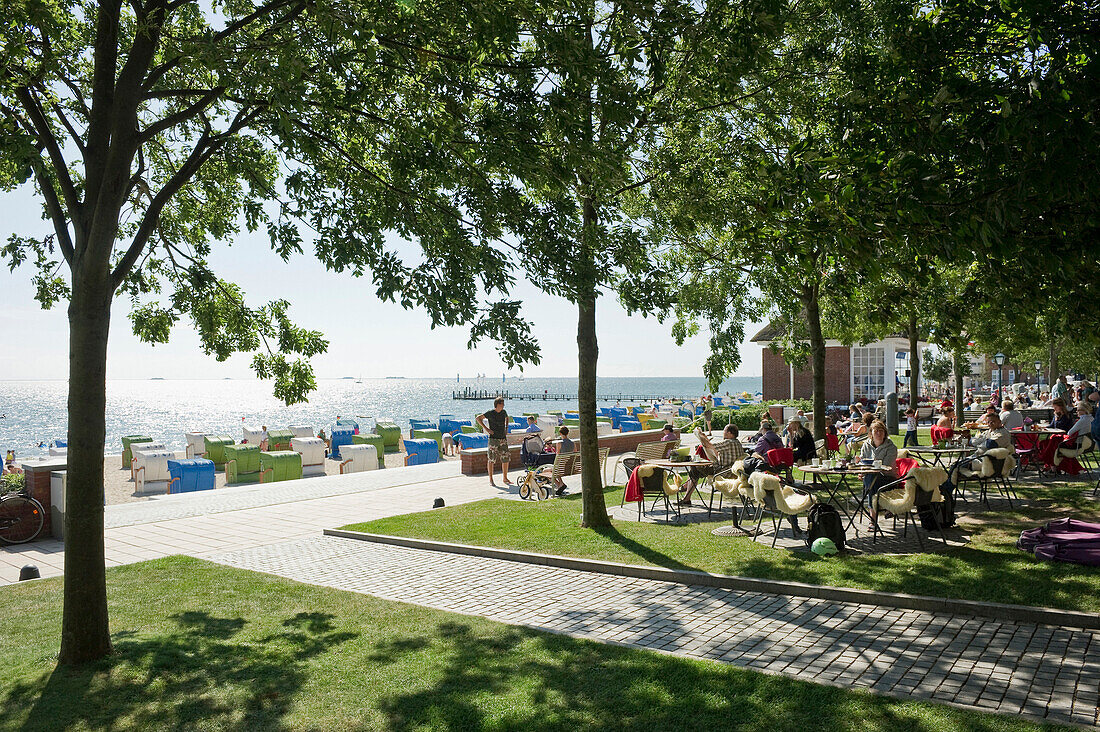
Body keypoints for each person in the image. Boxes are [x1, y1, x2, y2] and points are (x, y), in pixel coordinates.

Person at [679, 425, 744, 505]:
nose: (723, 433)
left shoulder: (729, 442)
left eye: (724, 431)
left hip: (724, 472)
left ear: (729, 433)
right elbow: (713, 448)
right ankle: (686, 492)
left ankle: (686, 493)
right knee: (695, 470)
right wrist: (704, 438)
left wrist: (700, 436)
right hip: (728, 469)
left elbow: (709, 446)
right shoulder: (736, 442)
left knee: (695, 469)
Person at [476, 396, 512, 487]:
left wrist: (506, 428)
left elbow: (507, 418)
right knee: (491, 459)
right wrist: (487, 429)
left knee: (505, 458)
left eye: (503, 404)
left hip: (503, 438)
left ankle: (505, 478)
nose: (503, 405)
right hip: (493, 439)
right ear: (497, 405)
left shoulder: (504, 412)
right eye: (502, 404)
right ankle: (491, 479)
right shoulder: (490, 413)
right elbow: (478, 418)